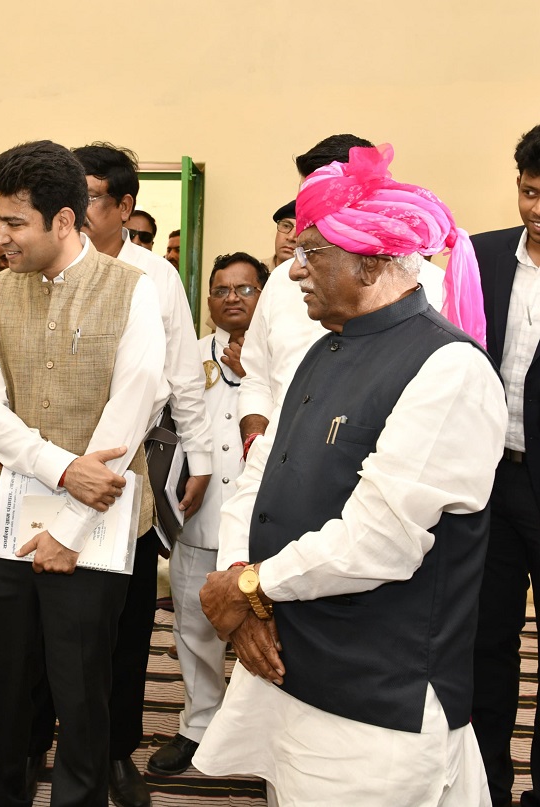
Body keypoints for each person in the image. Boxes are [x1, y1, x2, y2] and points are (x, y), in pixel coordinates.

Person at [194, 144, 504, 806]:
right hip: (290, 666)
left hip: (376, 702)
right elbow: (258, 481)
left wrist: (247, 585)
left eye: (313, 253)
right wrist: (240, 588)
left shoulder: (448, 368)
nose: (294, 269)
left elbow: (381, 540)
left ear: (372, 259)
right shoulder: (321, 350)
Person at [0, 139, 166, 807]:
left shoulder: (134, 292)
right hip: (8, 528)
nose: (0, 238)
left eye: (13, 223)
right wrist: (60, 467)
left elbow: (129, 414)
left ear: (62, 220)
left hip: (99, 531)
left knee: (83, 696)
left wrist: (74, 524)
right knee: (1, 696)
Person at [24, 141, 210, 807]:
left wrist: (202, 457)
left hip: (128, 463)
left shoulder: (151, 276)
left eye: (93, 195)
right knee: (43, 609)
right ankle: (39, 743)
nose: (75, 206)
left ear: (125, 206)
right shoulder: (39, 267)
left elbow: (184, 374)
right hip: (43, 465)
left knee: (124, 621)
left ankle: (113, 752)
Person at [237, 134, 448, 453]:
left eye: (317, 202)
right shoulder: (282, 278)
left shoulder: (428, 288)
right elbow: (256, 377)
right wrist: (255, 443)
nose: (300, 225)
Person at [147, 252, 268, 778]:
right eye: (222, 290)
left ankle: (261, 733)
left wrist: (257, 374)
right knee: (194, 630)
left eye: (244, 289)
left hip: (265, 528)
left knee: (265, 633)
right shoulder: (188, 357)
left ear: (265, 297)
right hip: (196, 517)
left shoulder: (289, 357)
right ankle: (198, 725)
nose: (232, 298)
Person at [471, 123, 540, 807]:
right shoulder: (480, 255)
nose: (539, 210)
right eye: (530, 193)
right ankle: (486, 782)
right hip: (488, 480)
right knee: (486, 641)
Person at [264, 201, 296, 270]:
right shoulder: (255, 272)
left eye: (300, 230)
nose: (291, 237)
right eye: (286, 226)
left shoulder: (317, 279)